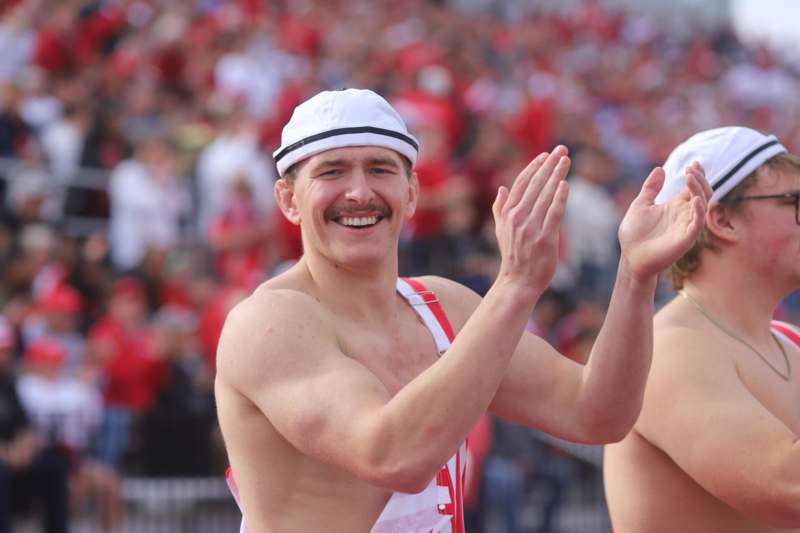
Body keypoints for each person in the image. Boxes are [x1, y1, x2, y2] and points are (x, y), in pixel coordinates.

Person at [214, 88, 709, 532]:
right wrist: (515, 285)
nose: (360, 191)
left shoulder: (442, 305)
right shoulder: (268, 323)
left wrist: (636, 276)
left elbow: (596, 414)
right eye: (332, 170)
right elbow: (392, 456)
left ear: (411, 194)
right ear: (288, 200)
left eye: (380, 169)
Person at [604, 126, 800, 532]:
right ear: (723, 219)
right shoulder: (669, 349)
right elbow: (786, 486)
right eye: (795, 201)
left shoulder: (787, 345)